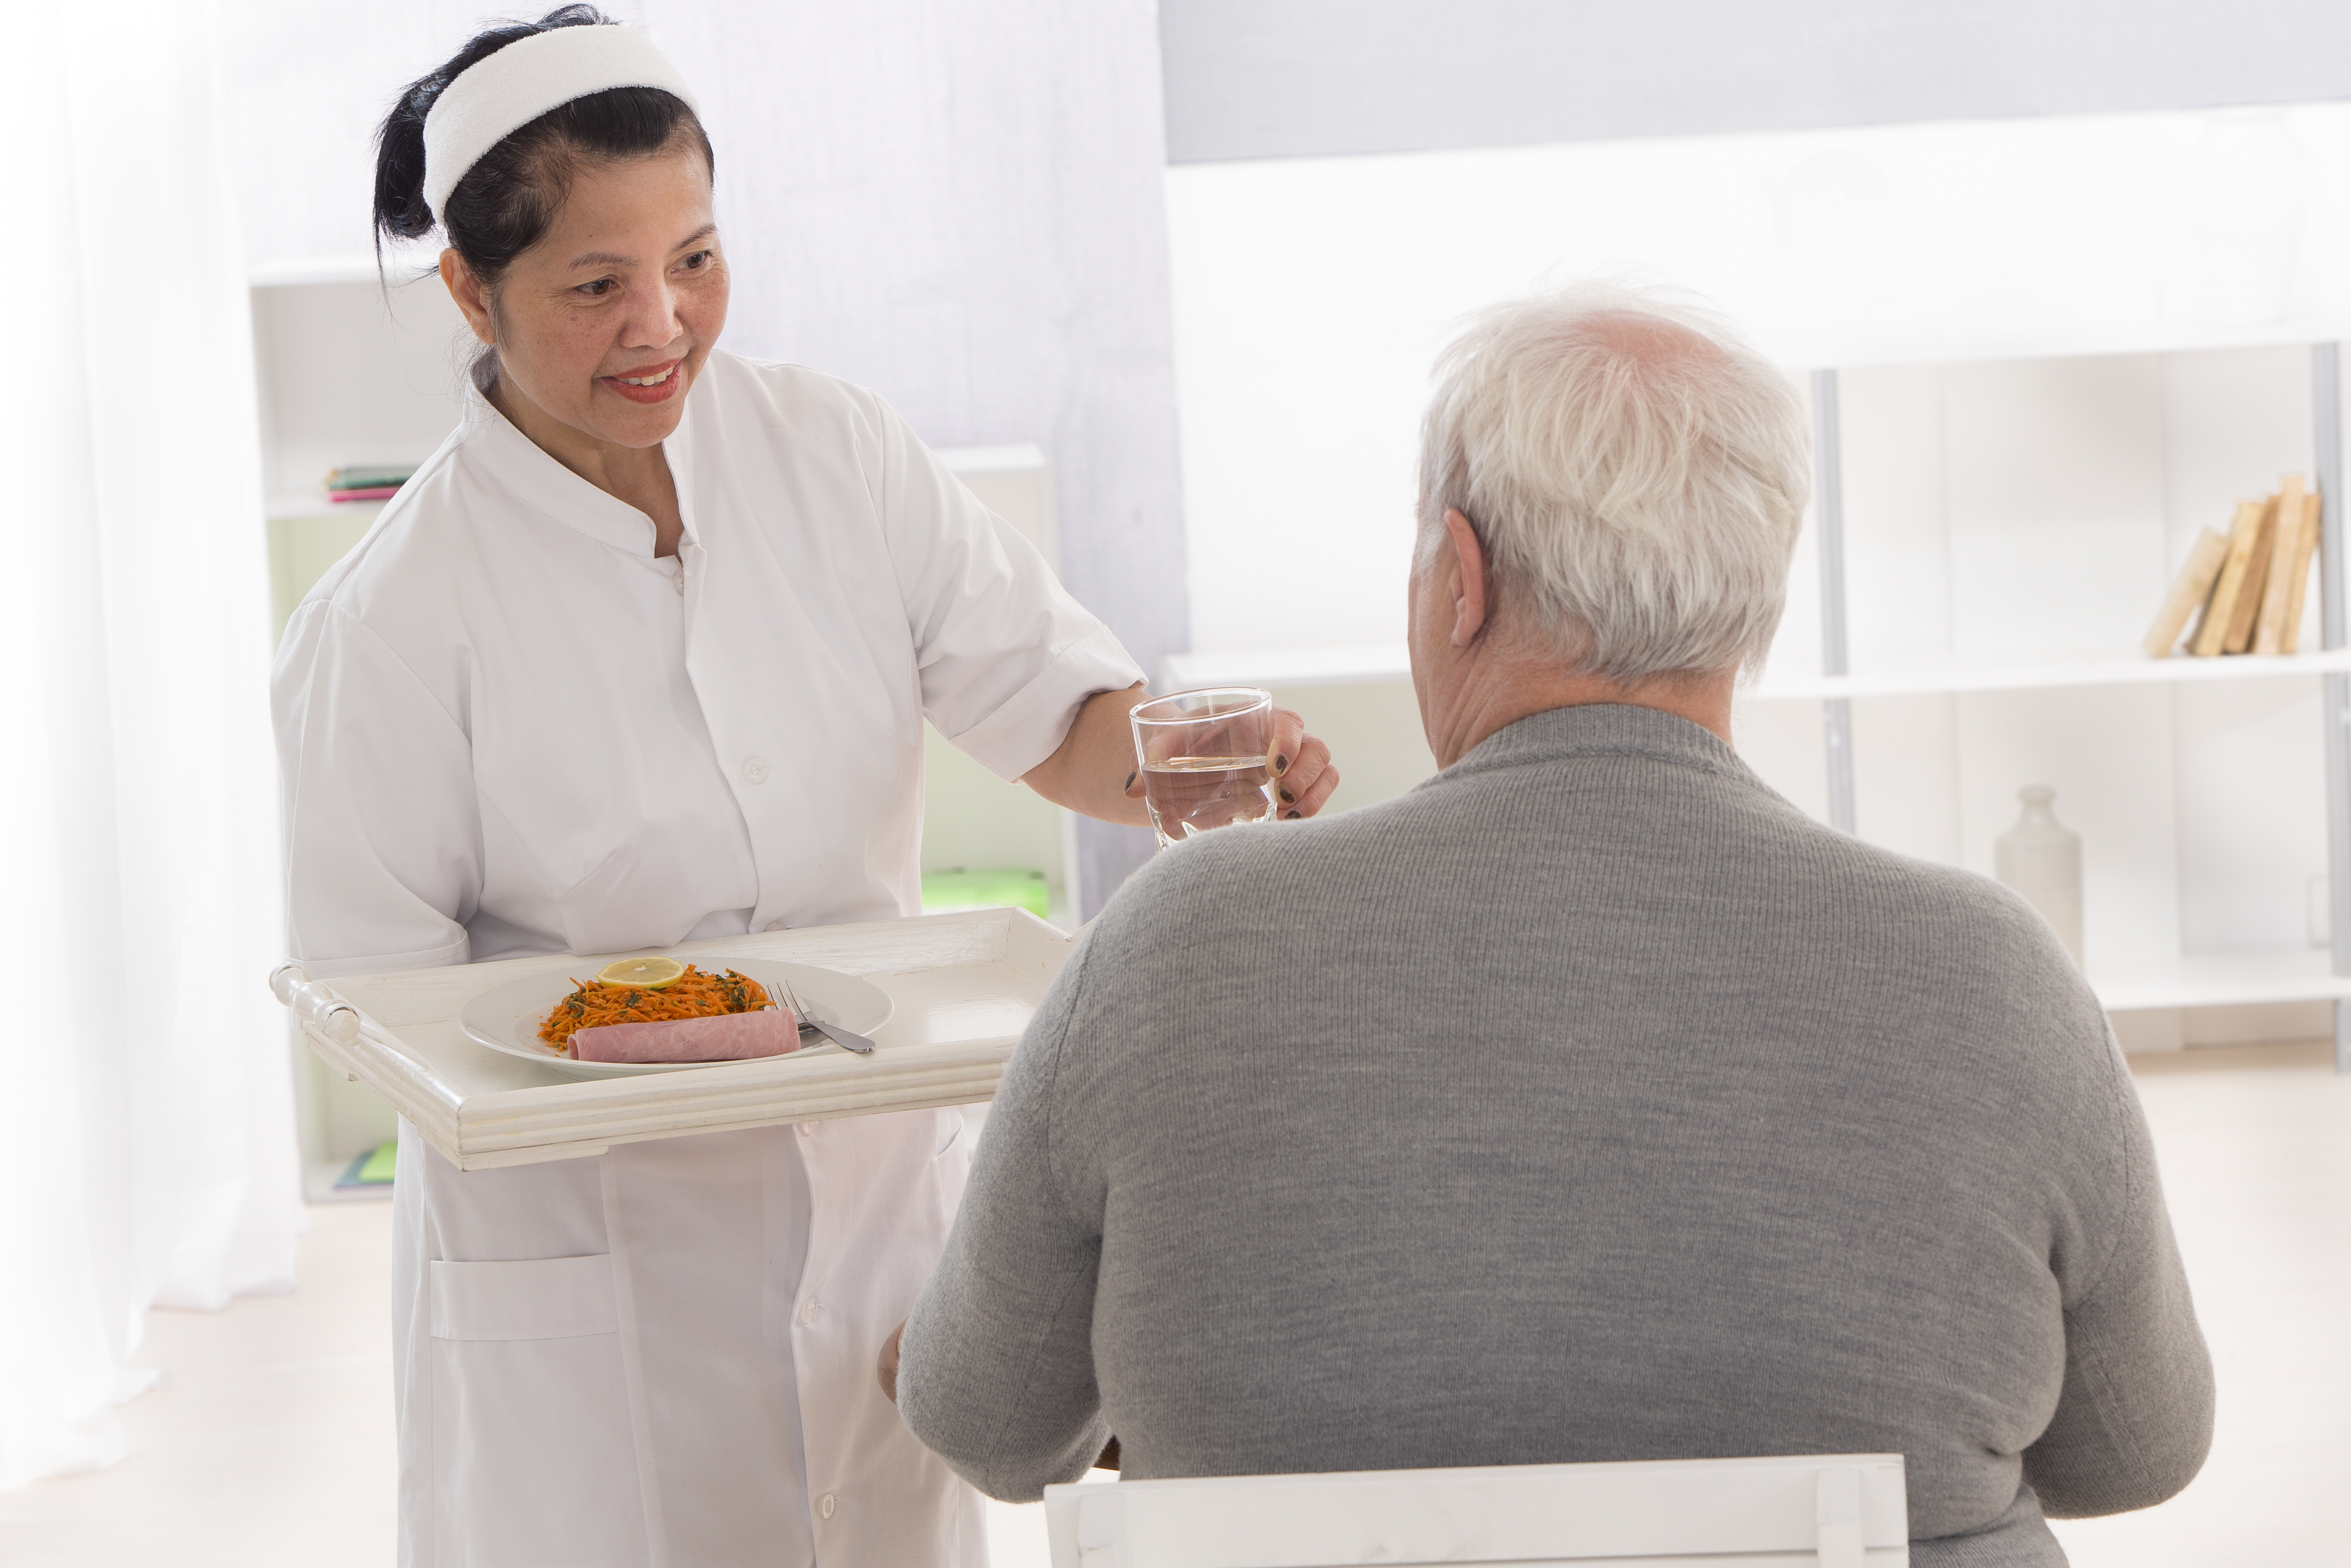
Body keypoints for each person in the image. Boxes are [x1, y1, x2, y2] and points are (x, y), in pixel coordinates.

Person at [892, 285, 2213, 1566]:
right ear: (1758, 602)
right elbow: (2138, 1448)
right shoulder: (1994, 978)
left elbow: (986, 1424)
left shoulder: (1172, 947)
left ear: (1460, 578)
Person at [270, 10, 1337, 1565]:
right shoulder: (387, 625)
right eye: (595, 285)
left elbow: (1059, 714)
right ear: (466, 288)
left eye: (696, 259)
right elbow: (392, 1028)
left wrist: (1191, 768)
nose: (664, 325)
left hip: (877, 1255)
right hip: (597, 1309)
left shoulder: (832, 453)